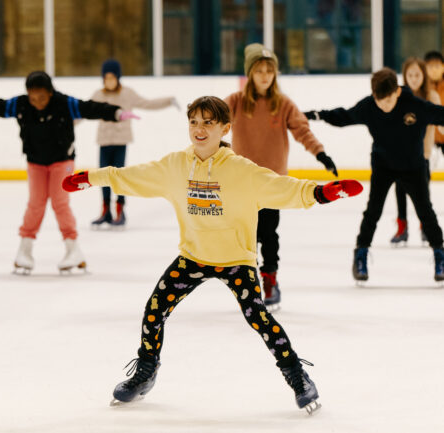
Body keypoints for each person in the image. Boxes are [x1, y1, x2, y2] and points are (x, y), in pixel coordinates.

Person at [62, 96, 363, 413]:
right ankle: (146, 372)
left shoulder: (241, 170)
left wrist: (322, 192)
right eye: (194, 122)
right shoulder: (175, 165)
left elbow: (283, 188)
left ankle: (298, 377)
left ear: (225, 128)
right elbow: (133, 176)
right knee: (154, 310)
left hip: (236, 262)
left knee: (258, 318)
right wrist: (91, 178)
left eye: (208, 122)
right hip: (194, 257)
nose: (199, 129)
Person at [0, 71, 136, 274]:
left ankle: (73, 249)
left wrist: (116, 113)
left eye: (41, 98)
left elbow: (90, 108)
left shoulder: (64, 103)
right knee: (36, 204)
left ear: (50, 93)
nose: (37, 103)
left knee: (60, 203)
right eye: (33, 98)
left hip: (63, 161)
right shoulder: (21, 104)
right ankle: (24, 250)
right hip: (35, 162)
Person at [224, 43, 338, 310]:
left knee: (269, 233)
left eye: (269, 70)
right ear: (250, 73)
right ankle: (248, 282)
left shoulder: (283, 104)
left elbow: (302, 131)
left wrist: (321, 155)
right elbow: (214, 121)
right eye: (259, 70)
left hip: (273, 183)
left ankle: (270, 279)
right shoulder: (236, 102)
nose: (265, 75)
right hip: (241, 182)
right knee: (245, 236)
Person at [305, 68, 444, 282]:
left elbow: (440, 113)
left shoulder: (415, 106)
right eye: (380, 101)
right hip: (383, 165)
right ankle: (360, 253)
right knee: (373, 210)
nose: (384, 106)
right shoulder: (369, 106)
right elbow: (344, 116)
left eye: (388, 100)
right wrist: (317, 114)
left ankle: (439, 254)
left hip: (413, 167)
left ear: (397, 92)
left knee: (425, 211)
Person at [90, 59, 176, 228]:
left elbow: (148, 103)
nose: (109, 81)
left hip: (121, 141)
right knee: (102, 177)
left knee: (119, 177)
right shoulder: (98, 95)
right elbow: (85, 111)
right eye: (106, 78)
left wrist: (168, 101)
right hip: (104, 141)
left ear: (118, 78)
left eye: (112, 77)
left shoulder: (127, 94)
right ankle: (105, 210)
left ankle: (120, 210)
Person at [391, 58, 441, 245]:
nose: (413, 78)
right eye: (410, 75)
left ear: (423, 75)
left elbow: (440, 118)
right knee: (400, 190)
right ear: (405, 76)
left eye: (417, 75)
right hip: (399, 154)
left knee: (422, 193)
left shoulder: (431, 95)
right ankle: (402, 227)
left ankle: (425, 226)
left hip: (422, 154)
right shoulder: (398, 95)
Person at [424, 51, 444, 155]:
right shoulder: (422, 90)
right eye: (430, 66)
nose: (434, 70)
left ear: (443, 67)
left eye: (437, 66)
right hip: (428, 143)